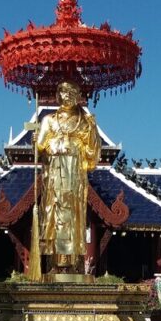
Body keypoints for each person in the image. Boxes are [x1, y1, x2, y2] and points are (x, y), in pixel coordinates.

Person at [36, 81, 100, 273]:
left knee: (74, 217)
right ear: (58, 95)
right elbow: (40, 146)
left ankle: (74, 262)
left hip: (75, 175)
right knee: (54, 215)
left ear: (78, 95)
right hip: (55, 172)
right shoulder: (49, 119)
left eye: (72, 92)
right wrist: (38, 140)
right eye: (63, 92)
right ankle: (55, 262)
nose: (67, 96)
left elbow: (93, 152)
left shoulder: (84, 121)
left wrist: (93, 131)